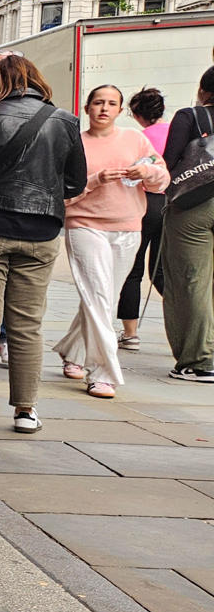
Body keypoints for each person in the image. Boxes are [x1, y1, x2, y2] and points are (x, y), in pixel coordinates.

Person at [0, 53, 85, 434]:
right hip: (41, 232)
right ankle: (26, 411)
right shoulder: (65, 121)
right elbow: (75, 183)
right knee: (27, 325)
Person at [53, 85, 169, 398]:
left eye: (112, 103)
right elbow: (60, 195)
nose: (104, 108)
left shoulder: (135, 139)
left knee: (102, 297)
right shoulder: (74, 144)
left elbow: (163, 177)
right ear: (88, 108)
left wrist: (146, 170)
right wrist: (95, 181)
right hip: (84, 225)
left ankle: (73, 350)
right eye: (98, 103)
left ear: (120, 110)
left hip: (129, 227)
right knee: (100, 297)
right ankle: (102, 372)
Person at [159, 66, 214, 382]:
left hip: (194, 207)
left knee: (190, 282)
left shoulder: (190, 116)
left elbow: (167, 162)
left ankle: (198, 360)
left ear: (204, 90)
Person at [119, 86, 169, 350]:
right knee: (161, 271)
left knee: (134, 269)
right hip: (171, 205)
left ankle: (130, 333)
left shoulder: (140, 139)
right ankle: (187, 319)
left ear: (137, 114)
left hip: (145, 203)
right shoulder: (175, 131)